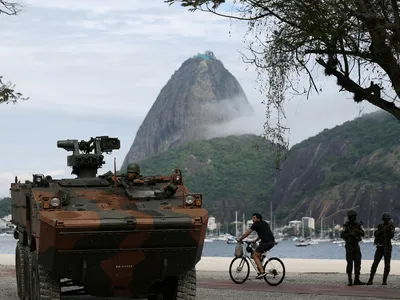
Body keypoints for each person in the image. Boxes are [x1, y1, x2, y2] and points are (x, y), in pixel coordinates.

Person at [237, 213, 275, 279]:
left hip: (265, 243)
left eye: (254, 218)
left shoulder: (255, 224)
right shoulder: (265, 223)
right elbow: (262, 234)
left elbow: (248, 232)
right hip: (272, 242)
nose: (253, 219)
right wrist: (255, 240)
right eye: (252, 218)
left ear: (258, 219)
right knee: (258, 254)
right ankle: (261, 268)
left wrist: (241, 239)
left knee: (254, 255)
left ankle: (262, 272)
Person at [367, 212, 395, 285]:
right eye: (385, 219)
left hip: (387, 247)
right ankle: (370, 279)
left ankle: (384, 280)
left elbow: (391, 235)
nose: (386, 220)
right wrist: (383, 229)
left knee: (387, 264)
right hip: (380, 247)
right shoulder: (380, 226)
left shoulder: (391, 226)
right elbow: (376, 234)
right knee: (375, 263)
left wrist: (388, 228)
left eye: (387, 219)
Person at [340, 210, 365, 286]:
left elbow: (363, 234)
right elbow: (342, 235)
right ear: (350, 217)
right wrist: (350, 234)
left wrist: (358, 231)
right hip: (349, 246)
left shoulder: (357, 225)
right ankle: (350, 280)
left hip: (356, 246)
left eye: (355, 216)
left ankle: (356, 279)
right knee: (350, 263)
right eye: (353, 216)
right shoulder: (346, 226)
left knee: (358, 263)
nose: (355, 218)